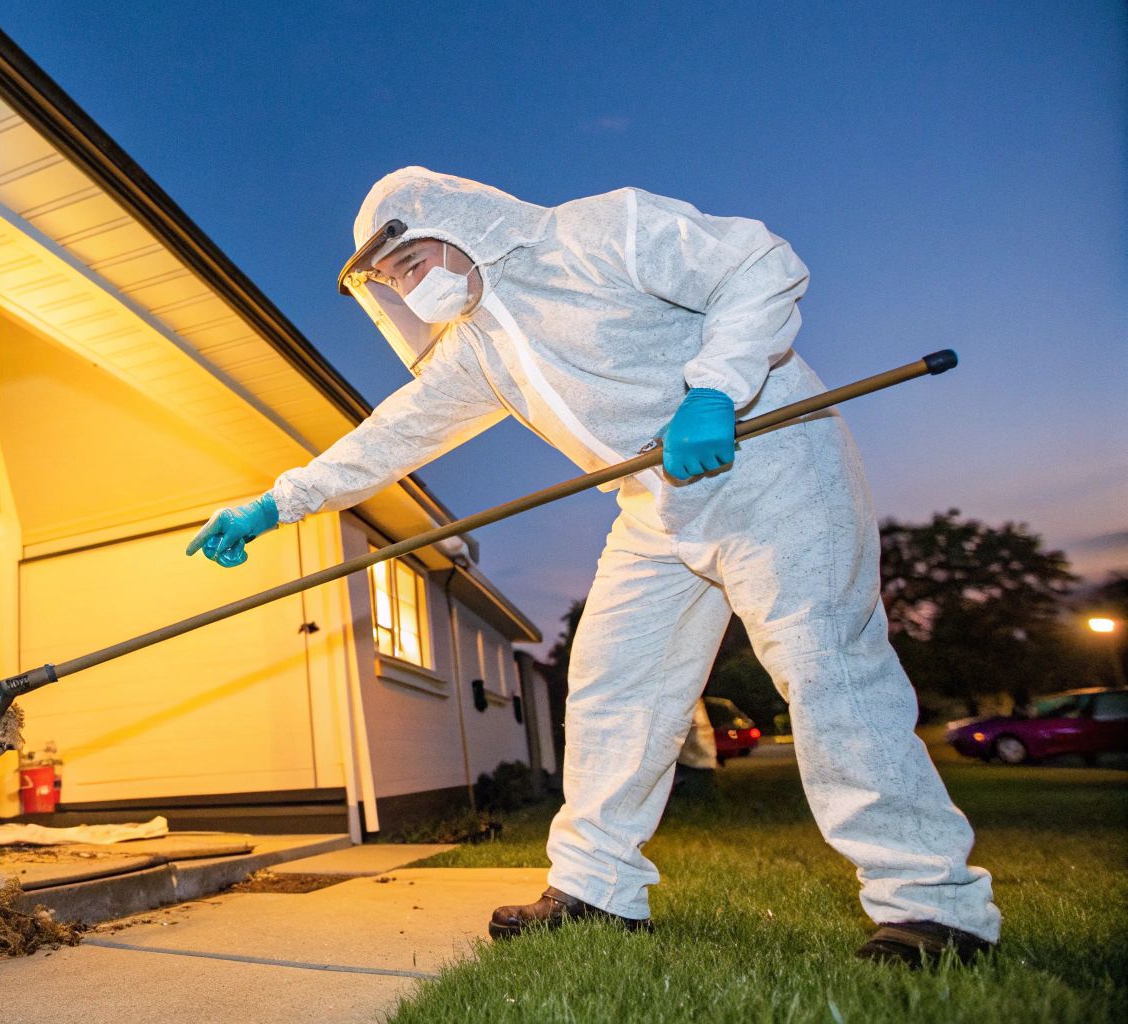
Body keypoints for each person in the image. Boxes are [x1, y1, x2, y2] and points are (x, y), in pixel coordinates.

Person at [184, 167, 999, 966]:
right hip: (655, 506)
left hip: (770, 461)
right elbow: (391, 436)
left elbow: (757, 264)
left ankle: (932, 905)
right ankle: (596, 891)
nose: (408, 287)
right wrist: (274, 505)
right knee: (614, 690)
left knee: (826, 670)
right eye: (392, 281)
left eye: (410, 262)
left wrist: (715, 391)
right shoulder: (480, 350)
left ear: (456, 226)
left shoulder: (601, 231)